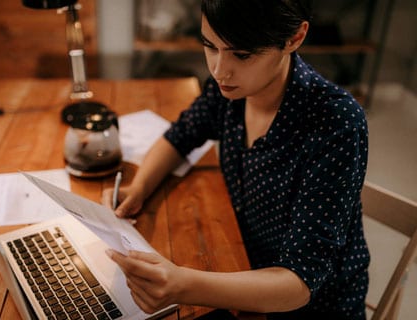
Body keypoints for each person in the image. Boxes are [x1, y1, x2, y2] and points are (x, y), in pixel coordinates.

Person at [101, 0, 370, 318]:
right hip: (239, 260)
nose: (218, 69)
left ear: (295, 38)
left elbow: (299, 283)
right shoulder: (229, 88)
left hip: (307, 307)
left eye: (242, 54)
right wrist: (140, 186)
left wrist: (180, 284)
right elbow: (182, 135)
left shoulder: (334, 122)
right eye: (209, 46)